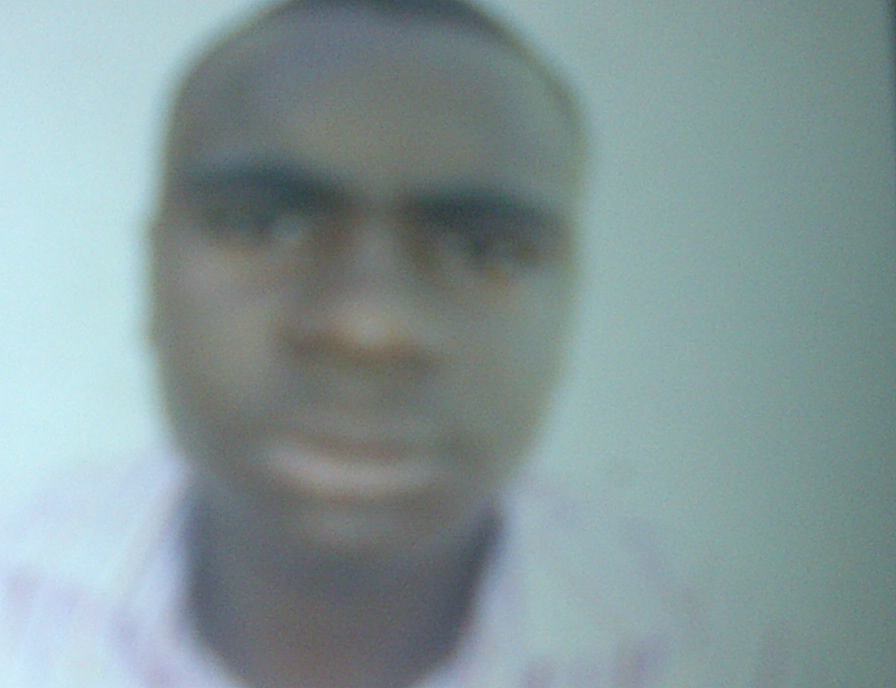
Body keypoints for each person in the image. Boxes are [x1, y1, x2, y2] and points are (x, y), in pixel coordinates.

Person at [0, 1, 703, 686]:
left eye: (486, 249)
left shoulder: (728, 650)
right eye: (259, 225)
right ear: (153, 270)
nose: (369, 330)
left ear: (570, 298)